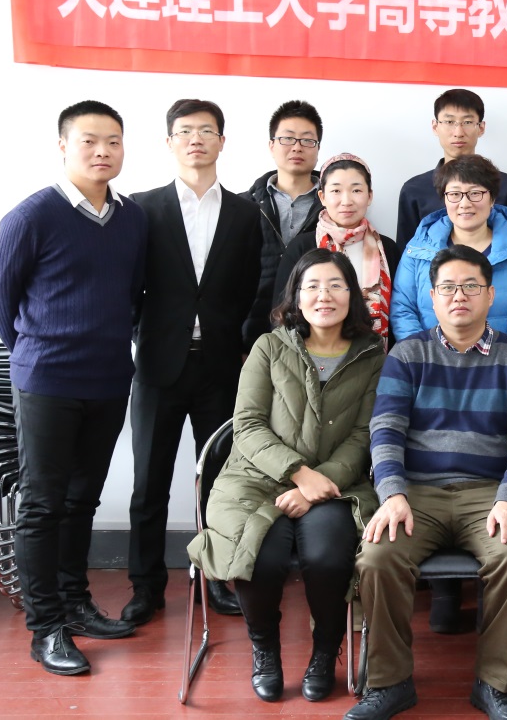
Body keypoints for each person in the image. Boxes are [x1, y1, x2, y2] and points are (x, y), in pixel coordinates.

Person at [347, 245, 507, 720]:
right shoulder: (407, 354)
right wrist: (392, 494)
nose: (460, 296)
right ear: (432, 297)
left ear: (490, 295)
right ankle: (390, 683)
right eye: (448, 287)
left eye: (471, 286)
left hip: (490, 495)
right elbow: (385, 430)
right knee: (377, 556)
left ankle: (494, 685)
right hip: (417, 493)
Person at [0, 100, 147, 675]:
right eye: (89, 141)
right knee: (42, 504)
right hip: (47, 381)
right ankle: (45, 626)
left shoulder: (131, 218)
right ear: (63, 146)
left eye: (113, 141)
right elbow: (0, 298)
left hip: (108, 378)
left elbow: (132, 295)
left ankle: (75, 603)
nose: (103, 151)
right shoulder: (32, 216)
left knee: (82, 499)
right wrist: (34, 351)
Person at [187, 248, 385, 703]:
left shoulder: (372, 354)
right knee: (259, 557)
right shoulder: (269, 346)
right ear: (296, 296)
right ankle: (265, 651)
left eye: (335, 285)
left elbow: (364, 435)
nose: (324, 295)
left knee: (328, 557)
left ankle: (325, 652)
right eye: (312, 286)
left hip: (337, 485)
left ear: (352, 295)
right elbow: (248, 424)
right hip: (256, 477)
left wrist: (318, 484)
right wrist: (297, 473)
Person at [124, 98, 262, 626]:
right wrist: (143, 335)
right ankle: (146, 588)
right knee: (149, 483)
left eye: (207, 130)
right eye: (185, 131)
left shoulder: (245, 212)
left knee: (222, 482)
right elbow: (128, 285)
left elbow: (251, 286)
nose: (196, 139)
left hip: (220, 366)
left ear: (222, 141)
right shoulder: (141, 208)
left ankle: (217, 579)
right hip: (158, 366)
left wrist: (238, 339)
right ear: (169, 142)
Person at [392, 154, 507, 350]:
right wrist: (426, 357)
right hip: (428, 363)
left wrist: (500, 359)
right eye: (455, 194)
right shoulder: (418, 248)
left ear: (492, 198)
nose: (465, 203)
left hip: (502, 364)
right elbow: (402, 309)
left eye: (475, 193)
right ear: (444, 199)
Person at [274, 153, 401, 342]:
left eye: (356, 190)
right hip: (312, 353)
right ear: (322, 197)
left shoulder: (388, 249)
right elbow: (284, 311)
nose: (346, 201)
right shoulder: (302, 247)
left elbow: (401, 310)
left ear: (369, 196)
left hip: (379, 354)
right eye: (336, 191)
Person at [395, 89, 507, 250]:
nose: (458, 133)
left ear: (481, 128)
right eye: (449, 122)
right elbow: (407, 252)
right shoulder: (414, 190)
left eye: (467, 122)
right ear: (435, 127)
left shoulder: (506, 186)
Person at [244, 100, 325, 348]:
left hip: (314, 337)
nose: (297, 147)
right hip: (250, 335)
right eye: (287, 138)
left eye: (307, 140)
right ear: (272, 145)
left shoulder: (333, 210)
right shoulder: (243, 206)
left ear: (318, 148)